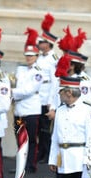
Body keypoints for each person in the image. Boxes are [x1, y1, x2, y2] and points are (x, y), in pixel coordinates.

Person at [12, 28, 45, 174]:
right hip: (19, 110)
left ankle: (30, 165)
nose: (29, 58)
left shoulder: (38, 72)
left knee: (31, 140)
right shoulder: (21, 70)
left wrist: (11, 93)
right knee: (19, 138)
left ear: (37, 56)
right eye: (27, 55)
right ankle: (21, 163)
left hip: (31, 110)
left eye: (31, 55)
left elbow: (28, 90)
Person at [36, 13, 59, 163]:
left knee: (45, 129)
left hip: (46, 96)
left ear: (48, 43)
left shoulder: (52, 59)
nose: (39, 44)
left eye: (42, 42)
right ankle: (41, 152)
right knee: (38, 128)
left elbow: (54, 81)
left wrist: (51, 102)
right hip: (37, 95)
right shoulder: (39, 57)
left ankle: (46, 152)